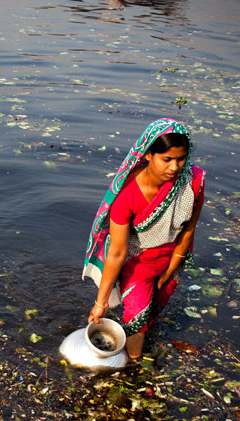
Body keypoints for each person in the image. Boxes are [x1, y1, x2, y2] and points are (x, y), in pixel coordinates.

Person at [82, 118, 205, 359]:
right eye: (167, 159)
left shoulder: (193, 181)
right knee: (137, 318)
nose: (175, 167)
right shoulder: (126, 195)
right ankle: (134, 366)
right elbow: (117, 252)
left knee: (155, 309)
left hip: (171, 257)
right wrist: (101, 302)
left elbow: (189, 229)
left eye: (181, 159)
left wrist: (170, 270)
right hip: (138, 263)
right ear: (148, 155)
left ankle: (143, 342)